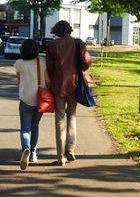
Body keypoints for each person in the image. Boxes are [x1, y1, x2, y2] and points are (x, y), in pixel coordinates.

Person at [46, 20, 92, 166]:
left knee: (59, 120)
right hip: (74, 84)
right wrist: (80, 70)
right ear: (70, 30)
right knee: (71, 116)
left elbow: (50, 67)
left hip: (58, 86)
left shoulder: (52, 45)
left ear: (56, 31)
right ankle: (70, 149)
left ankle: (60, 157)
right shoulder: (78, 43)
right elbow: (87, 61)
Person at [14, 39, 51, 170]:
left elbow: (19, 81)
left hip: (25, 99)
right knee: (35, 126)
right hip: (40, 100)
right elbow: (47, 80)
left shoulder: (18, 64)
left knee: (25, 128)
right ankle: (33, 153)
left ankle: (25, 149)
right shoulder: (40, 62)